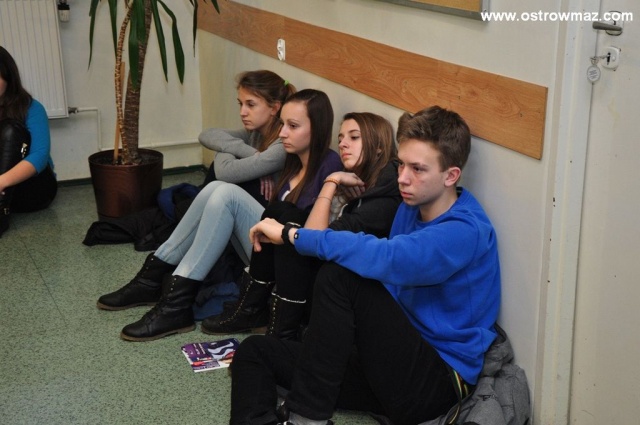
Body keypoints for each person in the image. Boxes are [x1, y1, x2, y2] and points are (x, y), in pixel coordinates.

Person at [231, 106, 502, 425]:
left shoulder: (465, 230)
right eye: (402, 164)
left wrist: (292, 234)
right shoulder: (410, 206)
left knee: (340, 276)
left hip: (435, 382)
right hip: (386, 362)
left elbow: (390, 258)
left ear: (451, 176)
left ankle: (307, 418)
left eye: (417, 169)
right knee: (255, 351)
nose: (403, 178)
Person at [96, 89, 342, 342]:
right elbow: (213, 140)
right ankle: (156, 280)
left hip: (296, 268)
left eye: (293, 126)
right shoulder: (292, 160)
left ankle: (172, 302)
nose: (282, 134)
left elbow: (314, 238)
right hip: (270, 255)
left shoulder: (329, 165)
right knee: (215, 188)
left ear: (317, 128)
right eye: (282, 124)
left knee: (226, 194)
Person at [202, 112, 402, 340]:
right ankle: (252, 310)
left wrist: (330, 182)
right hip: (329, 271)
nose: (343, 144)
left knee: (290, 226)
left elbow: (313, 238)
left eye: (354, 137)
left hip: (345, 288)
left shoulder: (382, 198)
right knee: (282, 211)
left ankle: (283, 332)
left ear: (379, 147)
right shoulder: (354, 178)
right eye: (341, 138)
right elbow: (312, 236)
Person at [199, 70, 297, 206]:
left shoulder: (282, 145)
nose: (242, 112)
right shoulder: (255, 132)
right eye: (241, 104)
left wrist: (228, 147)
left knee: (219, 181)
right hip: (246, 201)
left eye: (250, 105)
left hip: (266, 212)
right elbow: (207, 134)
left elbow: (224, 172)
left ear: (274, 108)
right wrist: (254, 154)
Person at [0, 46, 57, 237]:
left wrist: (1, 182)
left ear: (8, 77)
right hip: (6, 193)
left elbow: (40, 156)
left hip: (34, 189)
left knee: (10, 130)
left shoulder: (31, 107)